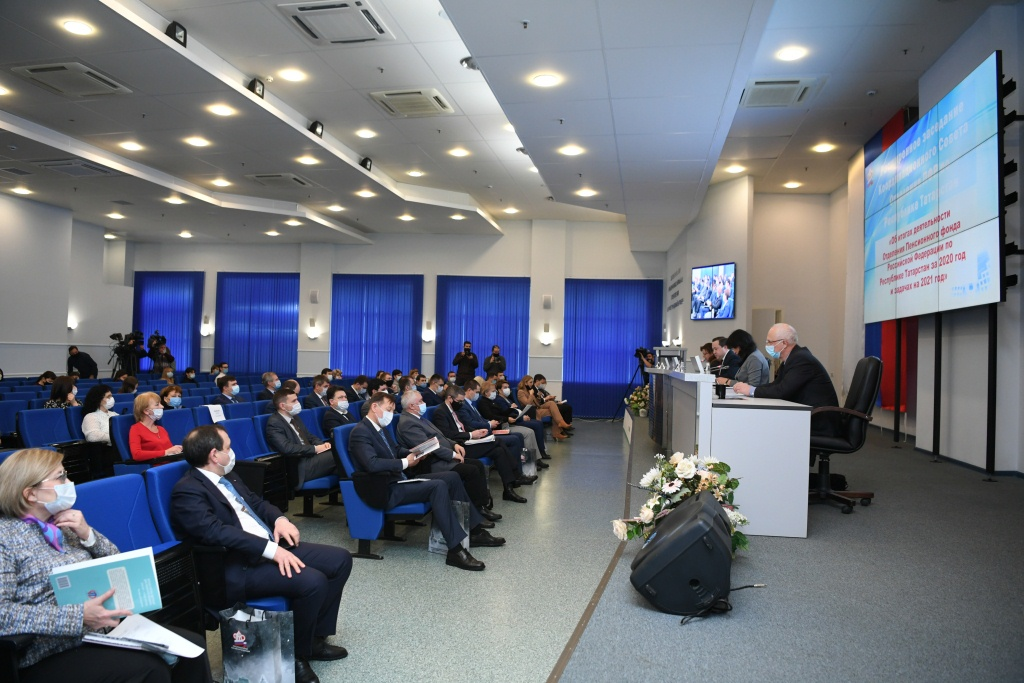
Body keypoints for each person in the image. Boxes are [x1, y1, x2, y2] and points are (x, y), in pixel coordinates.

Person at [0, 449, 213, 683]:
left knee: (193, 648)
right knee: (150, 669)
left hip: (99, 632)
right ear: (31, 494)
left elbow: (115, 559)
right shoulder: (5, 538)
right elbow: (2, 614)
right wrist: (78, 615)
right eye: (60, 477)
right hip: (47, 652)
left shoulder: (62, 522)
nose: (69, 483)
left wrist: (87, 534)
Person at [170, 425, 351, 683]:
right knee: (313, 581)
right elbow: (215, 532)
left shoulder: (229, 476)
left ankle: (312, 640)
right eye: (228, 447)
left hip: (268, 546)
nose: (232, 452)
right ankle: (296, 657)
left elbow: (257, 503)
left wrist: (279, 519)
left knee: (340, 560)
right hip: (237, 565)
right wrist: (271, 550)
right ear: (214, 454)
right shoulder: (187, 490)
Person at [347, 392, 495, 570]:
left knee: (452, 477)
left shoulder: (380, 428)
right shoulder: (360, 432)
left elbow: (395, 449)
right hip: (385, 488)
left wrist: (414, 453)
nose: (391, 414)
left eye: (392, 410)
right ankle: (455, 550)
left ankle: (474, 530)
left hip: (399, 479)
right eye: (388, 409)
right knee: (437, 486)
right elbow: (372, 464)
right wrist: (405, 462)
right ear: (374, 407)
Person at [395, 390, 501, 521]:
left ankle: (481, 506)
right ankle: (476, 511)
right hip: (432, 463)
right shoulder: (408, 423)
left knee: (477, 464)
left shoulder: (419, 418)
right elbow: (428, 447)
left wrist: (454, 444)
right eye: (420, 401)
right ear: (411, 406)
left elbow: (441, 436)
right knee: (471, 470)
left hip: (441, 457)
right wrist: (452, 454)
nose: (423, 403)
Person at [733, 323, 840, 436]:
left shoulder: (801, 359)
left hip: (819, 422)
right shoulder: (791, 359)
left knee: (765, 429)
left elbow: (782, 391)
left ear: (784, 343)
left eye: (770, 342)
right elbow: (776, 385)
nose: (767, 346)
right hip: (806, 416)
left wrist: (751, 390)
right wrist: (751, 389)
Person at [432, 385, 532, 502]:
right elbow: (447, 434)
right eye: (459, 401)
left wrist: (477, 432)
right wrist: (471, 435)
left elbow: (463, 426)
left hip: (468, 441)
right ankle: (516, 474)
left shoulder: (454, 409)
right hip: (459, 447)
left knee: (498, 451)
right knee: (498, 441)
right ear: (450, 398)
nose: (462, 404)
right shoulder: (440, 412)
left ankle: (508, 489)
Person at [265, 389, 337, 491]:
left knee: (339, 459)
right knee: (338, 455)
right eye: (294, 401)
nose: (298, 403)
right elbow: (287, 448)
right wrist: (315, 449)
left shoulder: (295, 417)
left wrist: (323, 446)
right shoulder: (274, 423)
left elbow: (309, 436)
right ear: (282, 406)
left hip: (312, 457)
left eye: (297, 400)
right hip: (300, 465)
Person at [478, 380, 549, 461]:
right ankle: (530, 460)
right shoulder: (484, 403)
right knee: (528, 433)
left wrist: (510, 409)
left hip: (505, 424)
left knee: (531, 431)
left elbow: (502, 412)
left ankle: (535, 459)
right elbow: (491, 416)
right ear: (486, 392)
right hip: (500, 427)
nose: (495, 393)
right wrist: (507, 418)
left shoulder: (492, 401)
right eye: (493, 391)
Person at [128, 392, 183, 462]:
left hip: (170, 464)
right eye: (157, 405)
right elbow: (137, 455)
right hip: (155, 466)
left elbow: (170, 451)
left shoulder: (161, 429)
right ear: (146, 411)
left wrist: (177, 450)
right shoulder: (136, 429)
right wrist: (165, 452)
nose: (162, 406)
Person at [518, 376, 571, 440]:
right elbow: (527, 404)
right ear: (525, 383)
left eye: (532, 382)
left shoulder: (529, 390)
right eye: (530, 382)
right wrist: (531, 394)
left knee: (551, 403)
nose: (532, 384)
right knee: (553, 412)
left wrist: (539, 397)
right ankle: (556, 432)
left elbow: (536, 403)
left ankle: (560, 423)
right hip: (531, 411)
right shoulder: (521, 392)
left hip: (537, 407)